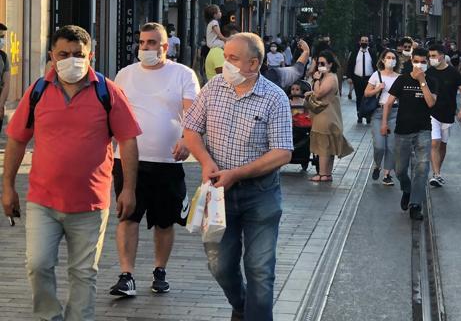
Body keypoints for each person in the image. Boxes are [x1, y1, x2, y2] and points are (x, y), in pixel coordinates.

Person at [2, 25, 141, 321]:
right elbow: (16, 140)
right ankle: (48, 316)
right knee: (37, 265)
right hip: (43, 200)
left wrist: (128, 188)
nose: (71, 60)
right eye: (63, 54)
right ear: (52, 55)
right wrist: (8, 186)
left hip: (90, 203)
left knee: (83, 273)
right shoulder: (37, 91)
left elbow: (128, 140)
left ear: (90, 55)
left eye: (78, 54)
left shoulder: (108, 91)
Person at [183, 32, 293, 321]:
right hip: (219, 192)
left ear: (253, 63)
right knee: (219, 263)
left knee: (260, 268)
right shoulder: (213, 88)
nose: (225, 63)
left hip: (261, 194)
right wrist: (206, 161)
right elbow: (191, 128)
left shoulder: (274, 98)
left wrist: (237, 173)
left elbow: (282, 152)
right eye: (225, 56)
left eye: (233, 58)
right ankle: (242, 305)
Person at [109, 22, 200, 297]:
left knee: (164, 221)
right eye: (142, 42)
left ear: (165, 47)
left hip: (168, 161)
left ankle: (160, 270)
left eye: (152, 43)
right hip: (128, 160)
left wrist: (186, 140)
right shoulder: (125, 75)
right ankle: (127, 275)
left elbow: (193, 113)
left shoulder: (183, 74)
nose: (146, 47)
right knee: (128, 216)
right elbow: (113, 114)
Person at [381, 48, 437, 220]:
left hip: (423, 130)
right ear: (411, 61)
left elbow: (430, 103)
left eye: (423, 62)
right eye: (416, 61)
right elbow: (389, 103)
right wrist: (384, 123)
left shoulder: (431, 81)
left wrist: (422, 82)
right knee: (400, 170)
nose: (419, 65)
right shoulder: (402, 80)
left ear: (427, 63)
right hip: (403, 130)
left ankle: (415, 204)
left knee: (421, 168)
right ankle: (407, 189)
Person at [308, 51, 354, 182]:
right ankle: (327, 174)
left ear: (330, 64)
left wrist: (316, 79)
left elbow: (319, 93)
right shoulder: (326, 77)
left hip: (326, 116)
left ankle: (323, 174)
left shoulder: (330, 78)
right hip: (326, 115)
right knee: (328, 146)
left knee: (324, 146)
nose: (319, 66)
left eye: (322, 63)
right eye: (318, 63)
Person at [427, 44, 461, 187]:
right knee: (434, 142)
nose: (431, 59)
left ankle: (438, 171)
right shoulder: (429, 72)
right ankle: (436, 174)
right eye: (430, 56)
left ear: (442, 56)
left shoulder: (453, 73)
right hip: (432, 113)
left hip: (448, 113)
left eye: (433, 56)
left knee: (442, 145)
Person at [364, 49, 401, 185]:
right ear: (383, 60)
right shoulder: (376, 75)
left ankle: (387, 174)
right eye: (388, 57)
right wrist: (377, 89)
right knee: (379, 146)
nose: (391, 60)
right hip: (378, 113)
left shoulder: (399, 77)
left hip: (395, 113)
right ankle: (377, 165)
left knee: (391, 146)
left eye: (393, 58)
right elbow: (367, 93)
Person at [346, 36, 378, 124]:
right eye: (362, 41)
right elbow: (350, 64)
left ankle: (368, 115)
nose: (364, 42)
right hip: (357, 78)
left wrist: (377, 78)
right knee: (359, 97)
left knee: (368, 97)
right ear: (360, 42)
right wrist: (349, 77)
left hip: (369, 79)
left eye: (366, 41)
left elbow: (376, 65)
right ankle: (359, 115)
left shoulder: (372, 52)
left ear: (368, 42)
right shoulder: (355, 52)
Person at [0, 23, 11, 128]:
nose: (1, 40)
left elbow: (6, 83)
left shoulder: (3, 56)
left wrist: (1, 105)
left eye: (2, 37)